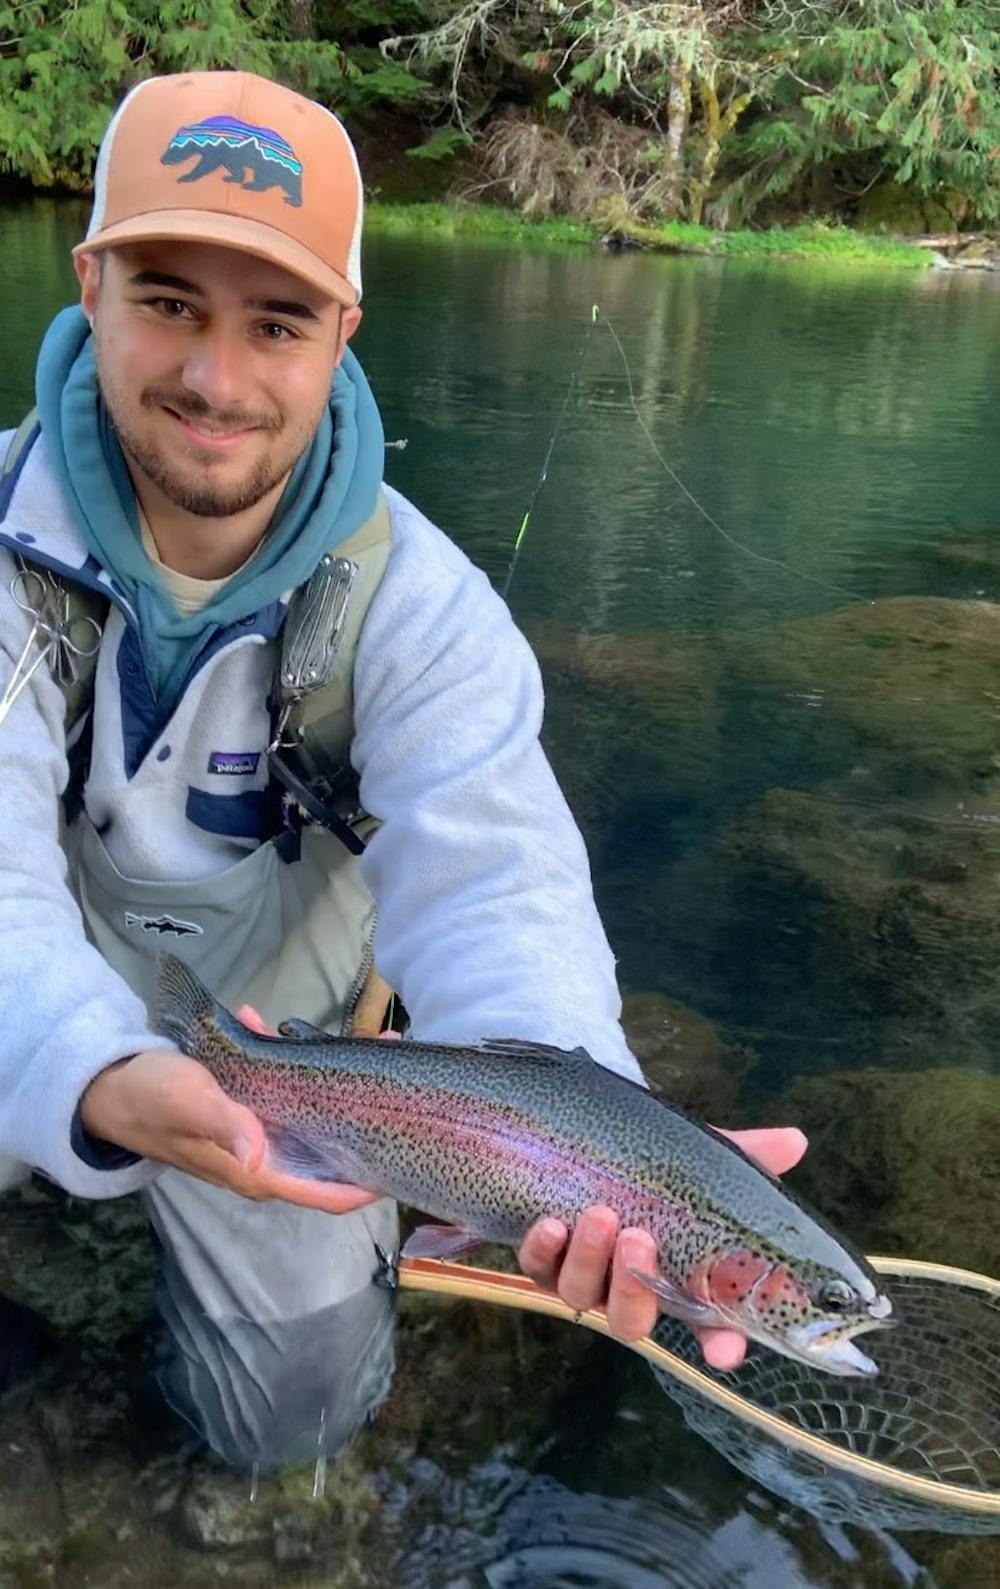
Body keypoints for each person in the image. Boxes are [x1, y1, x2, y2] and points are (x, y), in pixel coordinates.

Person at [0, 70, 804, 1466]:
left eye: (278, 321)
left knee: (290, 1417)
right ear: (90, 284)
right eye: (169, 301)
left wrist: (604, 1154)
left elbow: (502, 893)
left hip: (280, 1059)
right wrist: (94, 1071)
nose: (216, 378)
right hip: (26, 977)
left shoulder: (426, 612)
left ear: (344, 334)